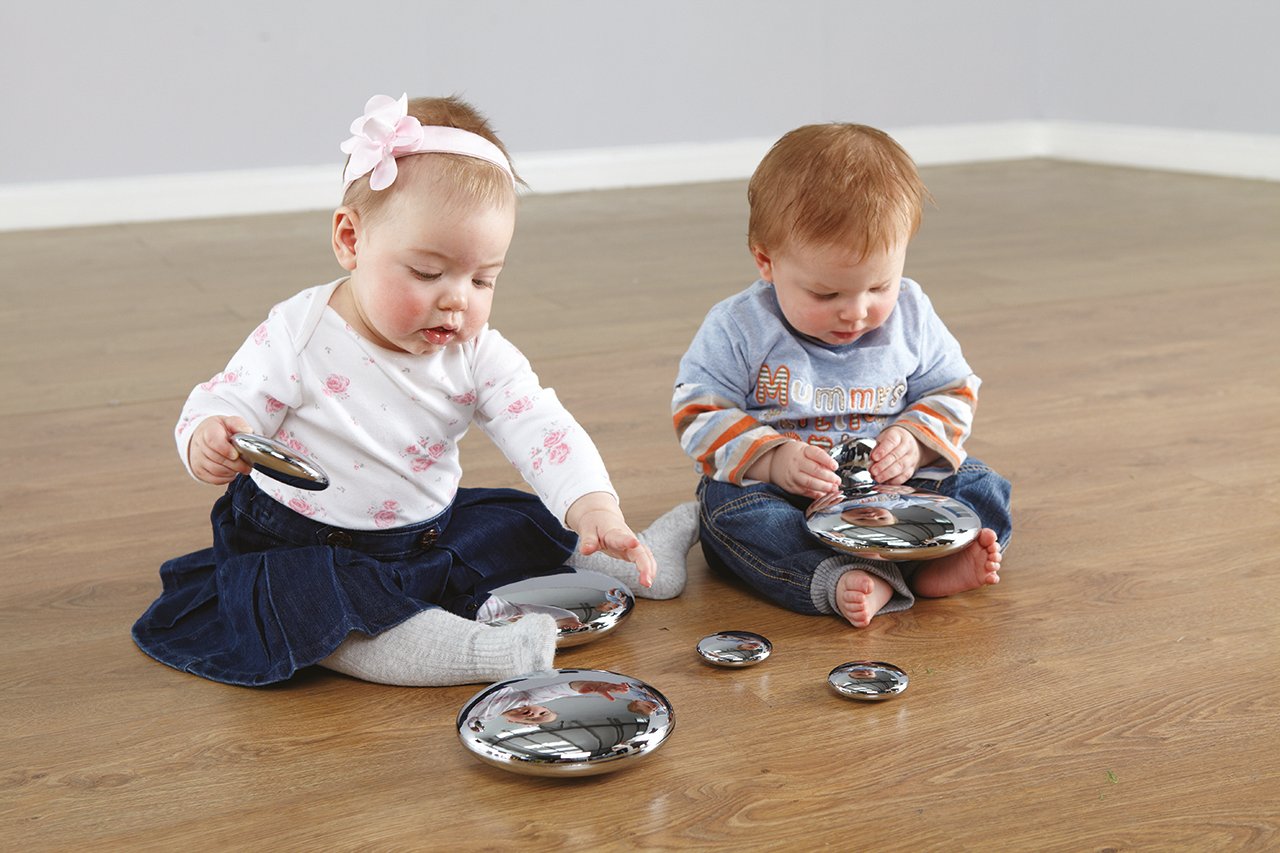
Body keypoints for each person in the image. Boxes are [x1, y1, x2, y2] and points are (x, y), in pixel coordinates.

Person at [133, 94, 697, 687]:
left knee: (521, 524)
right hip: (300, 543)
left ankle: (626, 557)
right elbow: (225, 400)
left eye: (483, 279)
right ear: (351, 240)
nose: (457, 299)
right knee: (317, 611)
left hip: (427, 530)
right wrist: (209, 437)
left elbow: (541, 427)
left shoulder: (474, 351)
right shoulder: (298, 335)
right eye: (428, 273)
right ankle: (485, 654)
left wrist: (593, 504)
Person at [671, 123, 1012, 628]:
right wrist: (770, 458)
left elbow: (953, 388)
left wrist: (914, 441)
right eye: (826, 295)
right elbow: (697, 409)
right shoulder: (739, 325)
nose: (856, 312)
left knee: (983, 483)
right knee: (729, 513)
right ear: (767, 261)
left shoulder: (913, 314)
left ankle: (930, 562)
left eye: (880, 285)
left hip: (892, 489)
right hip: (787, 492)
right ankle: (843, 574)